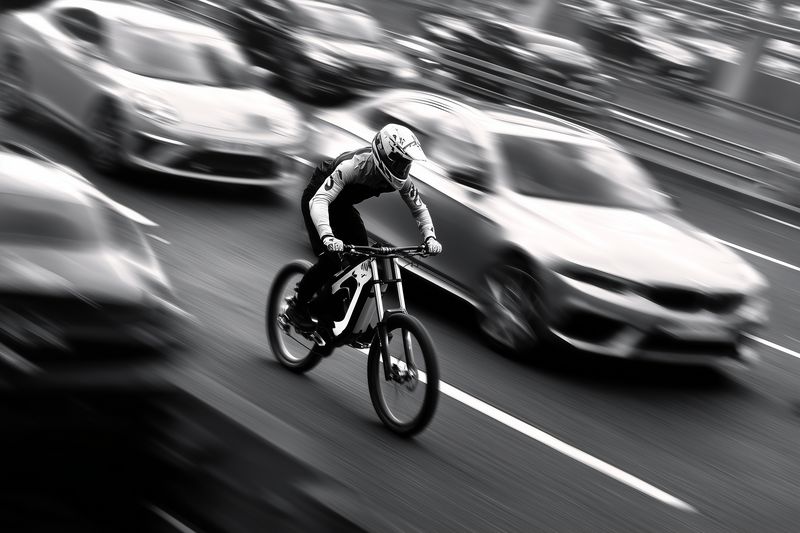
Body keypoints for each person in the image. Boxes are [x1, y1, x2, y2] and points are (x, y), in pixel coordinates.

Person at [288, 124, 443, 329]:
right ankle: (297, 307)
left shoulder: (402, 180)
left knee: (365, 264)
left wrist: (430, 237)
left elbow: (419, 208)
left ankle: (342, 316)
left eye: (407, 164)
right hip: (317, 199)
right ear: (384, 156)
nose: (403, 169)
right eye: (399, 163)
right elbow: (320, 201)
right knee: (331, 260)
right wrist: (327, 236)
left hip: (342, 206)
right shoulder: (353, 166)